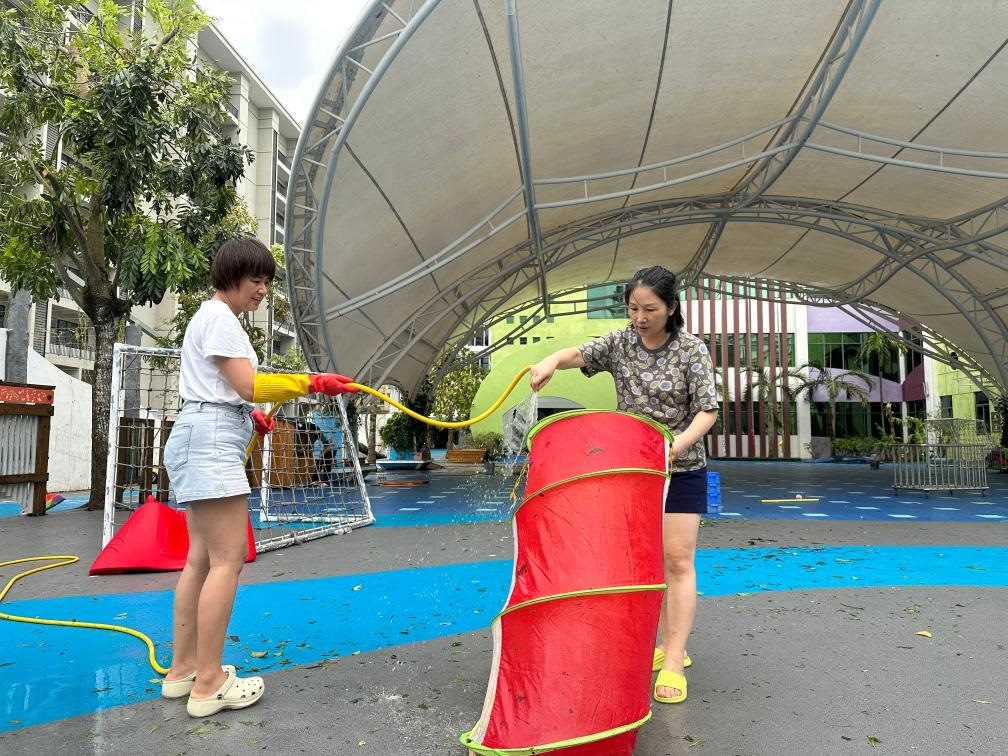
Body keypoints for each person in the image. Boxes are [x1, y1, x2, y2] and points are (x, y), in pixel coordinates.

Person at [160, 237, 358, 717]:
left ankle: (182, 671)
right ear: (231, 277)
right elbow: (246, 383)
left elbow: (227, 390)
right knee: (227, 560)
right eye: (256, 280)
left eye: (267, 282)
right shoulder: (221, 318)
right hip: (208, 441)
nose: (263, 290)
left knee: (201, 560)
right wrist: (310, 382)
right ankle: (209, 684)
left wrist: (249, 415)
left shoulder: (209, 318)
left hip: (200, 432)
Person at [528, 265, 718, 705]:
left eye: (650, 309)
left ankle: (673, 660)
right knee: (649, 561)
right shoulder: (620, 342)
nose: (640, 317)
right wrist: (551, 360)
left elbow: (707, 411)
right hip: (634, 471)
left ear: (671, 308)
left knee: (677, 558)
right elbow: (579, 355)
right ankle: (667, 643)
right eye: (633, 308)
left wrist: (674, 446)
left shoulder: (692, 350)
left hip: (682, 465)